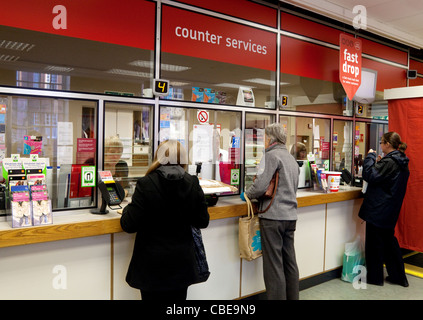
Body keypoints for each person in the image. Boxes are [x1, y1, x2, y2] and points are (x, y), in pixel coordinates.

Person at [120, 140, 210, 300]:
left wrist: (127, 209)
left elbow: (129, 224)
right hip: (182, 265)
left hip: (151, 267)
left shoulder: (146, 183)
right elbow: (202, 221)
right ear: (183, 159)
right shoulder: (192, 183)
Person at [245, 123, 300, 300]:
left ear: (270, 138)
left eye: (264, 137)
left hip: (273, 217)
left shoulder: (271, 156)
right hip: (290, 217)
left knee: (273, 265)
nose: (263, 140)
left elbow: (260, 186)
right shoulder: (291, 158)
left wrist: (247, 194)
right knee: (289, 262)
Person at [358, 131, 410, 287]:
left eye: (381, 143)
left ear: (388, 144)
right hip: (390, 209)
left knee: (374, 244)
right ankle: (399, 276)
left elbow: (369, 174)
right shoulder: (400, 160)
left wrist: (370, 157)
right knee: (389, 243)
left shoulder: (389, 162)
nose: (380, 146)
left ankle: (374, 278)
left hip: (378, 208)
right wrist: (379, 162)